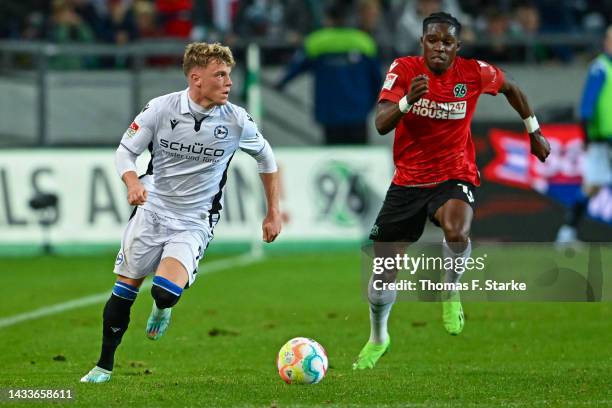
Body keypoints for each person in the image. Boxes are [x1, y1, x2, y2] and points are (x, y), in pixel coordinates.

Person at [352, 12, 550, 370]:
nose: (439, 47)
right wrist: (406, 101)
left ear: (457, 47)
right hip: (407, 183)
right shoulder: (404, 70)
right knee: (382, 274)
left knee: (457, 231)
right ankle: (378, 336)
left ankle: (450, 286)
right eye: (433, 40)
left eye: (447, 42)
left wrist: (533, 130)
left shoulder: (473, 73)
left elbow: (512, 88)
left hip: (453, 174)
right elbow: (381, 124)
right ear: (422, 42)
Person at [80, 42, 282, 383]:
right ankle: (103, 365)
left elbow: (267, 158)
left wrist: (273, 211)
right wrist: (132, 182)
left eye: (229, 75)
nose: (228, 82)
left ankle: (162, 309)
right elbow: (125, 152)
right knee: (125, 290)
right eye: (220, 75)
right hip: (152, 209)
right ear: (196, 78)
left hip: (194, 220)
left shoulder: (236, 120)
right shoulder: (161, 109)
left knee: (164, 291)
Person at [275, 1, 382, 145]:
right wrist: (373, 103)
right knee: (359, 155)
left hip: (329, 111)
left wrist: (281, 83)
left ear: (329, 19)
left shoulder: (316, 42)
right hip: (358, 111)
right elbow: (377, 78)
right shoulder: (364, 42)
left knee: (333, 155)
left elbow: (295, 69)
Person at [556, 26, 612, 244]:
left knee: (593, 186)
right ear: (605, 42)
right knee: (592, 186)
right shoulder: (600, 68)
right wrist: (587, 137)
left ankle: (567, 232)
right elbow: (587, 106)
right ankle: (567, 233)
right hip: (602, 140)